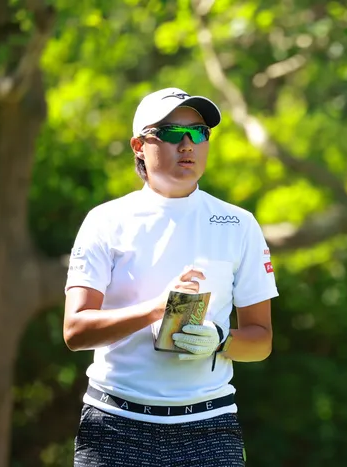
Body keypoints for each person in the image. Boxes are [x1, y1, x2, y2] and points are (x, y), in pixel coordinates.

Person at [63, 87, 278, 466]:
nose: (187, 144)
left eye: (198, 133)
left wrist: (219, 341)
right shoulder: (105, 221)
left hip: (209, 428)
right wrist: (156, 309)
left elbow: (261, 340)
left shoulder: (239, 224)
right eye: (171, 133)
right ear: (138, 145)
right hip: (114, 424)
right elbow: (75, 331)